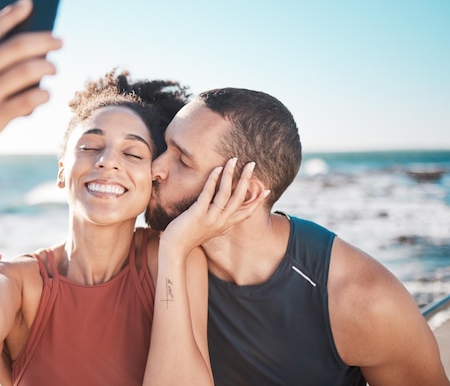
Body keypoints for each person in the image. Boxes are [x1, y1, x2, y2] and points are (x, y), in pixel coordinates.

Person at [0, 0, 259, 386]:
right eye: (89, 146)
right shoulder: (24, 280)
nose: (107, 161)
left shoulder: (171, 256)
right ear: (63, 171)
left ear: (153, 176)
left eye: (133, 152)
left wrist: (175, 248)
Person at [145, 87, 450, 385]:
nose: (155, 168)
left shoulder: (364, 301)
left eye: (183, 160)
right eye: (164, 147)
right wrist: (174, 248)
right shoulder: (163, 252)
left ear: (245, 194)